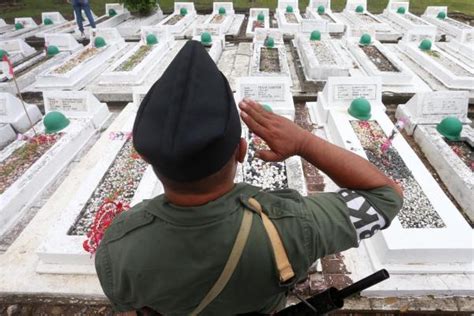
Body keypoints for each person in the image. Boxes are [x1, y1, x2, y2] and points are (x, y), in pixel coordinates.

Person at [95, 41, 403, 315]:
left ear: (146, 157)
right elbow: (385, 197)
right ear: (241, 150)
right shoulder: (294, 225)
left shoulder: (118, 245)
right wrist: (304, 142)